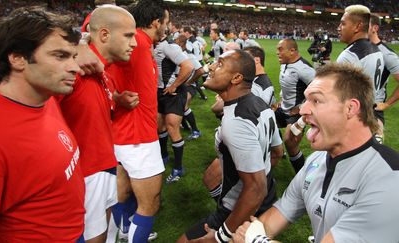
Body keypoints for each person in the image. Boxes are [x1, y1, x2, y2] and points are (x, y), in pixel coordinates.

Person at [233, 63, 399, 243]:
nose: (303, 110)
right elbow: (276, 216)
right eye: (305, 100)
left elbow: (253, 236)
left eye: (316, 100)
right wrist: (252, 234)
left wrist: (255, 240)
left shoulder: (389, 178)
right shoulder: (316, 161)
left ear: (350, 108)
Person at [0, 6, 85, 242]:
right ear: (17, 58)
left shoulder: (44, 96)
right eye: (60, 56)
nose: (75, 67)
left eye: (73, 57)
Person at [177, 50, 282, 243]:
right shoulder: (259, 104)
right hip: (261, 204)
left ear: (236, 78)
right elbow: (277, 152)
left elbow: (256, 189)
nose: (211, 67)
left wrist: (220, 236)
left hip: (241, 208)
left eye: (220, 64)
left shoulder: (237, 121)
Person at [59, 6, 137, 243]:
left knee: (104, 234)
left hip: (102, 164)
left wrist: (115, 100)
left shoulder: (101, 68)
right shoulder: (76, 68)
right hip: (86, 172)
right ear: (104, 35)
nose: (134, 43)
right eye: (128, 35)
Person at [107, 0, 170, 242]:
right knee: (150, 202)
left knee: (121, 192)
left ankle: (121, 232)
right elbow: (99, 65)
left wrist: (115, 96)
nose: (167, 26)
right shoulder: (137, 43)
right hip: (138, 136)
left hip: (123, 133)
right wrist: (114, 97)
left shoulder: (142, 44)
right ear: (156, 22)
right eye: (166, 21)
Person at [336, 4, 385, 142]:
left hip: (356, 119)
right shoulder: (376, 49)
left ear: (357, 26)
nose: (338, 28)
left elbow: (340, 95)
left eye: (343, 23)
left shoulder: (349, 56)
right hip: (372, 113)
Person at [154, 34, 193, 183]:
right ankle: (163, 155)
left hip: (173, 93)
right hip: (158, 92)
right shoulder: (150, 45)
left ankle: (178, 168)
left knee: (172, 129)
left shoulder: (169, 46)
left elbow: (189, 66)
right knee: (160, 127)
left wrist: (174, 85)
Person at [275, 38, 315, 173]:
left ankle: (302, 178)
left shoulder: (304, 69)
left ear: (292, 51)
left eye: (280, 49)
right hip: (283, 108)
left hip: (296, 113)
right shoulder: (284, 64)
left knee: (290, 142)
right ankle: (278, 151)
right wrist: (282, 98)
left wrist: (302, 107)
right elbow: (287, 85)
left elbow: (319, 91)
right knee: (264, 124)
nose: (277, 53)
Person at [369, 14, 399, 127]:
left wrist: (386, 104)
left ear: (375, 28)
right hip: (353, 108)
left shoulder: (387, 54)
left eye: (365, 25)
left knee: (372, 144)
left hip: (373, 110)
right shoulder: (357, 48)